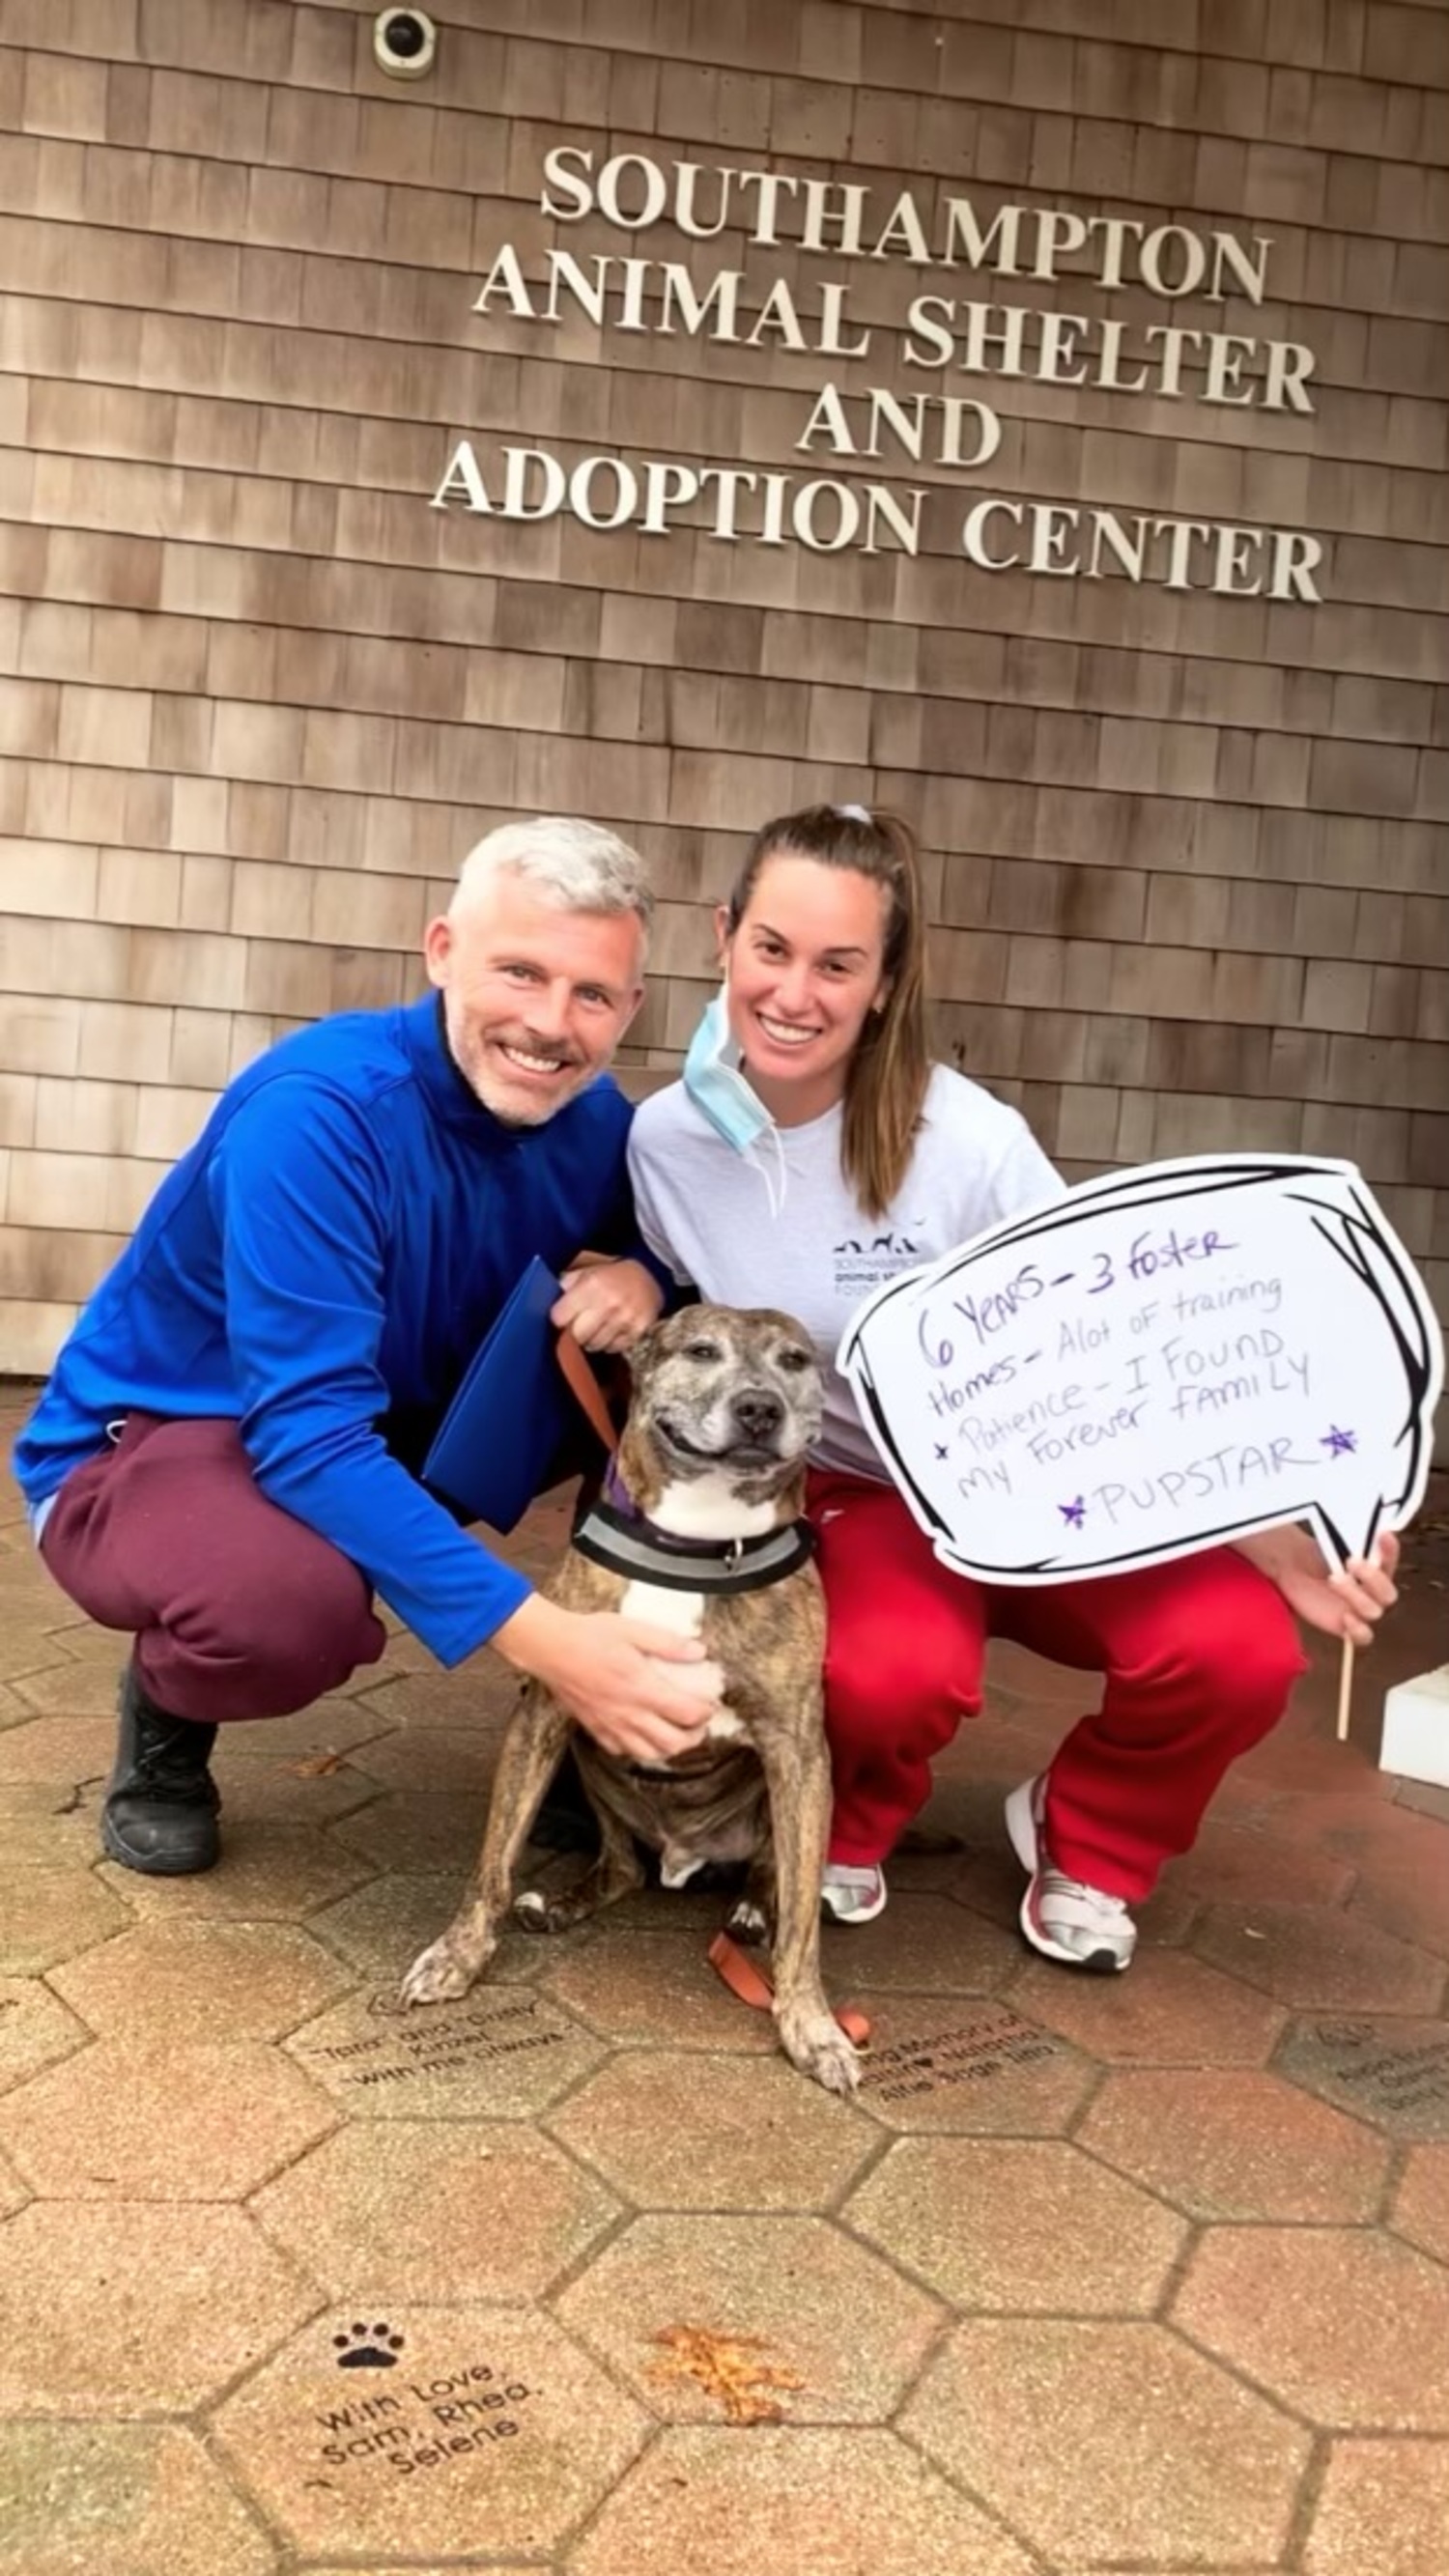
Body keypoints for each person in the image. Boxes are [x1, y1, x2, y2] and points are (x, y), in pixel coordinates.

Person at [626, 802, 1399, 1972]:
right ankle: (852, 1817)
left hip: (1048, 1479)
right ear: (723, 936)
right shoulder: (664, 1141)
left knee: (1244, 1647)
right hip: (864, 1492)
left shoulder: (967, 1139)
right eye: (772, 950)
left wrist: (1270, 1531)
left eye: (839, 965)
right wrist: (617, 1274)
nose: (794, 993)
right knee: (890, 1674)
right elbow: (656, 1290)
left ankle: (1089, 1835)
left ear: (885, 981)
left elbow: (1113, 1348)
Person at [14, 816, 724, 1877]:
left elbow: (678, 1243)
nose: (549, 1024)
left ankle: (593, 1746)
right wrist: (544, 1641)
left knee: (669, 1401)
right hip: (168, 1435)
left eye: (591, 994)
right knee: (282, 1611)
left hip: (402, 1423)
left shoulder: (594, 1125)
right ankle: (166, 1720)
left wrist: (643, 1273)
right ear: (441, 952)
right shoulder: (320, 1113)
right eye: (519, 972)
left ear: (629, 1009)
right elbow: (305, 1433)